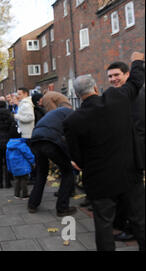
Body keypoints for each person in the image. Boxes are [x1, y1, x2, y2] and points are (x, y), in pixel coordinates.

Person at [63, 52, 145, 251]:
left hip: (99, 180)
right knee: (139, 219)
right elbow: (135, 81)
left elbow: (77, 157)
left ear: (76, 95)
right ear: (96, 88)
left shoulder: (72, 121)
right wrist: (136, 61)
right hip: (129, 173)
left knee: (104, 225)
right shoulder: (116, 99)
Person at [107, 60, 145, 242]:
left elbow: (138, 127)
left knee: (134, 199)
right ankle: (126, 225)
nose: (113, 79)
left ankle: (132, 229)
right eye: (110, 76)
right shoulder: (121, 95)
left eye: (117, 75)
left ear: (127, 75)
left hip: (134, 155)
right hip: (126, 155)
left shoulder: (135, 96)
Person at [28, 101, 76, 217]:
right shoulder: (71, 113)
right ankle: (62, 208)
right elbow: (72, 136)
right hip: (50, 141)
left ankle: (32, 204)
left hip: (36, 139)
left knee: (41, 172)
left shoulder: (53, 113)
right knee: (68, 171)